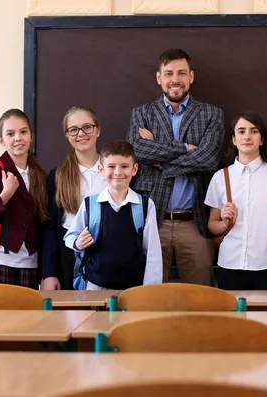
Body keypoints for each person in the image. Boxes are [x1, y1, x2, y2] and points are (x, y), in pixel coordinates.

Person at [126, 48, 224, 285]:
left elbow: (208, 159)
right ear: (159, 78)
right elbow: (137, 151)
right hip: (152, 219)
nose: (175, 79)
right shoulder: (142, 114)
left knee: (201, 296)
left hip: (194, 222)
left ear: (191, 76)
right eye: (168, 73)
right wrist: (186, 148)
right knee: (151, 294)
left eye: (181, 73)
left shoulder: (211, 114)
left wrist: (159, 158)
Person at [205, 112, 267, 290]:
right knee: (232, 318)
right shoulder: (220, 177)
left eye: (254, 131)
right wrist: (223, 223)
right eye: (241, 131)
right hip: (229, 265)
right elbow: (212, 226)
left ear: (262, 140)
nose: (247, 136)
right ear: (233, 139)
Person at [63, 140, 162, 290]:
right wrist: (78, 243)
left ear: (134, 169)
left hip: (133, 288)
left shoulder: (145, 205)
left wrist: (150, 289)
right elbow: (70, 237)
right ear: (101, 169)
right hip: (95, 285)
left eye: (124, 166)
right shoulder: (90, 204)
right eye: (111, 166)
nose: (118, 172)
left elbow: (152, 253)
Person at [0, 108, 48, 289]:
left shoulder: (40, 175)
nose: (18, 138)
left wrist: (45, 272)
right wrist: (5, 195)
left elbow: (43, 227)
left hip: (30, 267)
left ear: (31, 136)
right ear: (1, 140)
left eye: (23, 132)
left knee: (29, 319)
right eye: (10, 134)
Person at [41, 106, 107, 290]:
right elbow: (50, 229)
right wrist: (48, 273)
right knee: (71, 317)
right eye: (73, 129)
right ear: (67, 134)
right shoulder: (58, 176)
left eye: (87, 127)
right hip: (68, 257)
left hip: (107, 253)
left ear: (98, 129)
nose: (81, 134)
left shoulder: (113, 171)